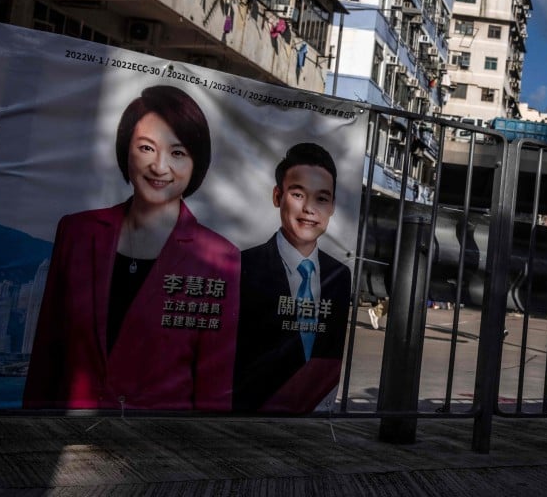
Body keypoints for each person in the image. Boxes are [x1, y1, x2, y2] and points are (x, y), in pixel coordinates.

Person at [24, 85, 240, 411]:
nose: (159, 167)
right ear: (126, 149)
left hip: (160, 445)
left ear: (197, 163)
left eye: (177, 153)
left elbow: (214, 381)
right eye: (146, 148)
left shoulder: (219, 257)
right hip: (67, 434)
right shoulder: (78, 232)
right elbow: (47, 351)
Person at [233, 142, 352, 412]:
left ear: (332, 206)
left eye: (322, 199)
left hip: (313, 413)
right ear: (277, 196)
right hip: (250, 411)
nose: (310, 209)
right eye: (298, 194)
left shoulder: (339, 274)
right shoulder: (243, 266)